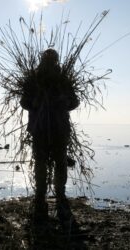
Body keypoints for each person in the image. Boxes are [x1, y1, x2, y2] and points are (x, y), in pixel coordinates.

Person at [20, 49, 79, 227]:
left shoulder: (63, 79)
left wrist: (65, 101)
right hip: (39, 129)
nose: (50, 62)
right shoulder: (34, 79)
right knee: (41, 163)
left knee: (60, 162)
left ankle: (60, 197)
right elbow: (24, 101)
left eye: (52, 59)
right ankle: (40, 199)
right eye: (48, 59)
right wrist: (34, 102)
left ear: (56, 61)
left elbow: (74, 101)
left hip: (59, 129)